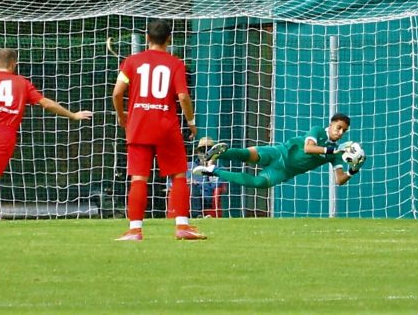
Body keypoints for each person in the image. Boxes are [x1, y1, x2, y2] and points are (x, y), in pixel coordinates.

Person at [0, 48, 93, 228]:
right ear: (14, 63)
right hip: (6, 132)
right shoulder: (22, 83)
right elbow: (46, 103)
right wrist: (72, 115)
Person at [112, 19, 205, 241]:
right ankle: (182, 225)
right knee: (179, 175)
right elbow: (182, 96)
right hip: (166, 126)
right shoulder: (175, 64)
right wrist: (191, 121)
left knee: (138, 178)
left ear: (147, 38)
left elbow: (116, 93)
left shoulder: (132, 62)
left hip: (139, 125)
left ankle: (135, 230)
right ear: (169, 39)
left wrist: (122, 114)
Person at [193, 113, 365, 189]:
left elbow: (339, 180)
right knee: (248, 155)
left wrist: (354, 169)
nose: (340, 133)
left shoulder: (335, 154)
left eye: (344, 131)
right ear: (331, 124)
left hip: (284, 170)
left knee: (258, 183)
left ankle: (214, 170)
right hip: (280, 152)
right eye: (339, 127)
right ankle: (216, 151)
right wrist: (332, 151)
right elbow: (308, 148)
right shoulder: (319, 130)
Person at [187, 136, 227, 218]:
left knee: (193, 188)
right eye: (202, 150)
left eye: (209, 150)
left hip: (206, 199)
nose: (205, 153)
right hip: (185, 197)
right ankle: (198, 215)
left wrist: (210, 167)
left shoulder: (220, 169)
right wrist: (186, 181)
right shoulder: (188, 166)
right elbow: (170, 182)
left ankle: (197, 216)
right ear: (197, 152)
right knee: (191, 187)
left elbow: (216, 186)